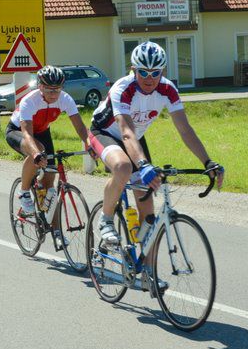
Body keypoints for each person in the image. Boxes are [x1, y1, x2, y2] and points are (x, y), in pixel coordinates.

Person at [88, 41, 224, 247]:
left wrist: (208, 161)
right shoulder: (123, 88)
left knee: (148, 211)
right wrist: (143, 165)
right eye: (143, 72)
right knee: (123, 167)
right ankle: (106, 219)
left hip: (135, 138)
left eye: (155, 72)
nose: (149, 78)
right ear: (133, 70)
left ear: (163, 71)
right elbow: (125, 132)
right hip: (105, 132)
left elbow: (185, 130)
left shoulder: (168, 89)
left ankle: (146, 275)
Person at [6, 66, 93, 227]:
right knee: (37, 151)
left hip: (43, 132)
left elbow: (80, 127)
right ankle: (24, 192)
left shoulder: (65, 99)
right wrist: (36, 155)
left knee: (49, 182)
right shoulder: (29, 101)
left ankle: (56, 231)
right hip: (18, 132)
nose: (54, 94)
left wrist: (90, 145)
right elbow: (27, 134)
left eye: (57, 89)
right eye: (49, 90)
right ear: (40, 86)